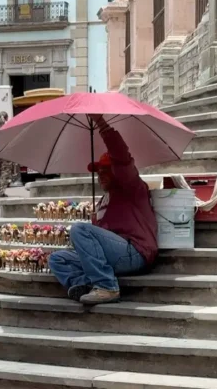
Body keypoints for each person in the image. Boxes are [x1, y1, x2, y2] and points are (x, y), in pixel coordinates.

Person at [48, 114, 158, 305]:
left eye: (106, 171)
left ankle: (107, 286)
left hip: (134, 252)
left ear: (117, 172)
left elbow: (122, 157)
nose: (100, 176)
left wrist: (101, 124)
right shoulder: (103, 201)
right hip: (112, 254)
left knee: (79, 230)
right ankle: (84, 284)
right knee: (57, 259)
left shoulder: (132, 186)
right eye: (99, 172)